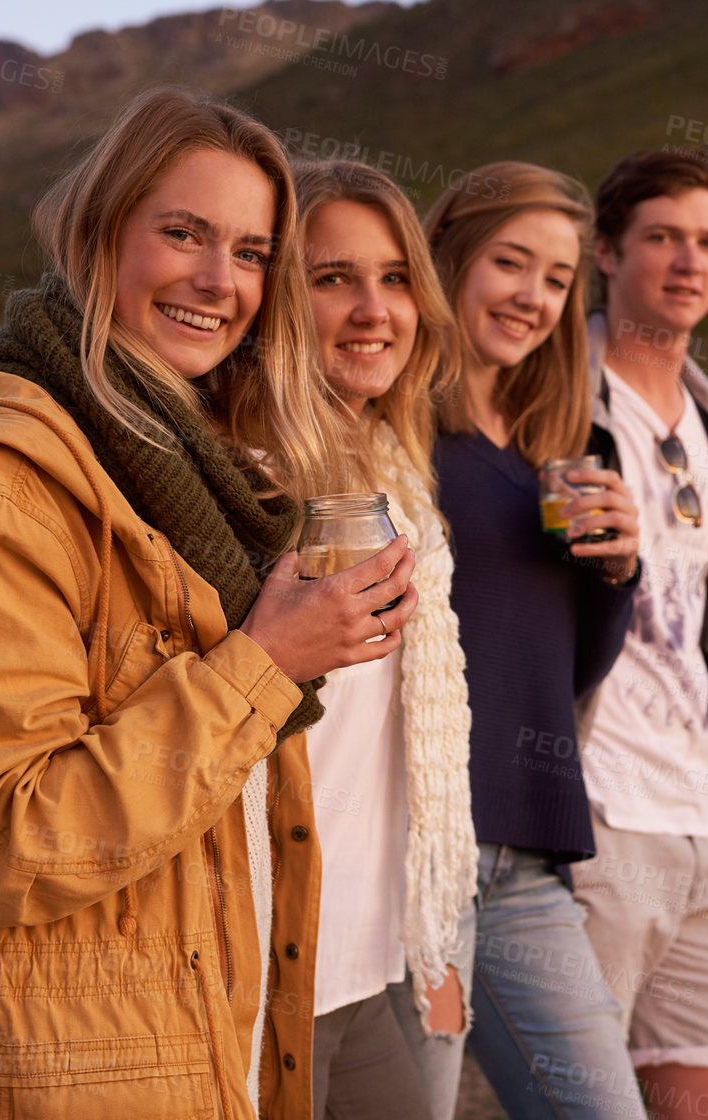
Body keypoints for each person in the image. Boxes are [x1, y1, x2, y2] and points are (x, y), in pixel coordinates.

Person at [0, 87, 414, 1120]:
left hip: (222, 1030)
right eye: (183, 234)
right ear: (100, 233)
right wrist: (265, 664)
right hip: (91, 1074)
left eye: (252, 252)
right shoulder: (4, 489)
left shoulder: (194, 469)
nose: (220, 280)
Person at [421, 161, 648, 1120]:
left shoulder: (555, 447)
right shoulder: (389, 430)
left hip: (522, 859)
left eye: (557, 280)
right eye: (510, 263)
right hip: (413, 858)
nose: (533, 297)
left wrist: (617, 575)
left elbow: (565, 673)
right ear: (451, 260)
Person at [568, 148, 708, 1120]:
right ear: (605, 250)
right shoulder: (554, 394)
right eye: (662, 238)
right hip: (594, 810)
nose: (689, 261)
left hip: (701, 812)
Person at [291, 158, 476, 1120]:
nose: (374, 309)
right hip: (265, 954)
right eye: (333, 279)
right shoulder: (242, 467)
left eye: (395, 278)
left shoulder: (397, 459)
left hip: (365, 950)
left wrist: (432, 928)